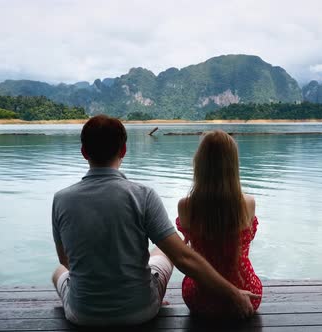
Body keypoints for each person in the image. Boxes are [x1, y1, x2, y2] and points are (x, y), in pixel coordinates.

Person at [51, 115, 260, 326]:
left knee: (58, 272)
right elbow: (183, 258)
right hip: (141, 309)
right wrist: (233, 294)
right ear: (123, 150)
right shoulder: (143, 195)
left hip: (83, 315)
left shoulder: (61, 199)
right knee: (165, 252)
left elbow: (65, 260)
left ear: (84, 152)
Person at [176, 130, 262, 315]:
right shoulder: (248, 203)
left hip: (200, 298)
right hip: (248, 295)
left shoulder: (185, 206)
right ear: (233, 165)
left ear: (200, 163)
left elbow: (187, 245)